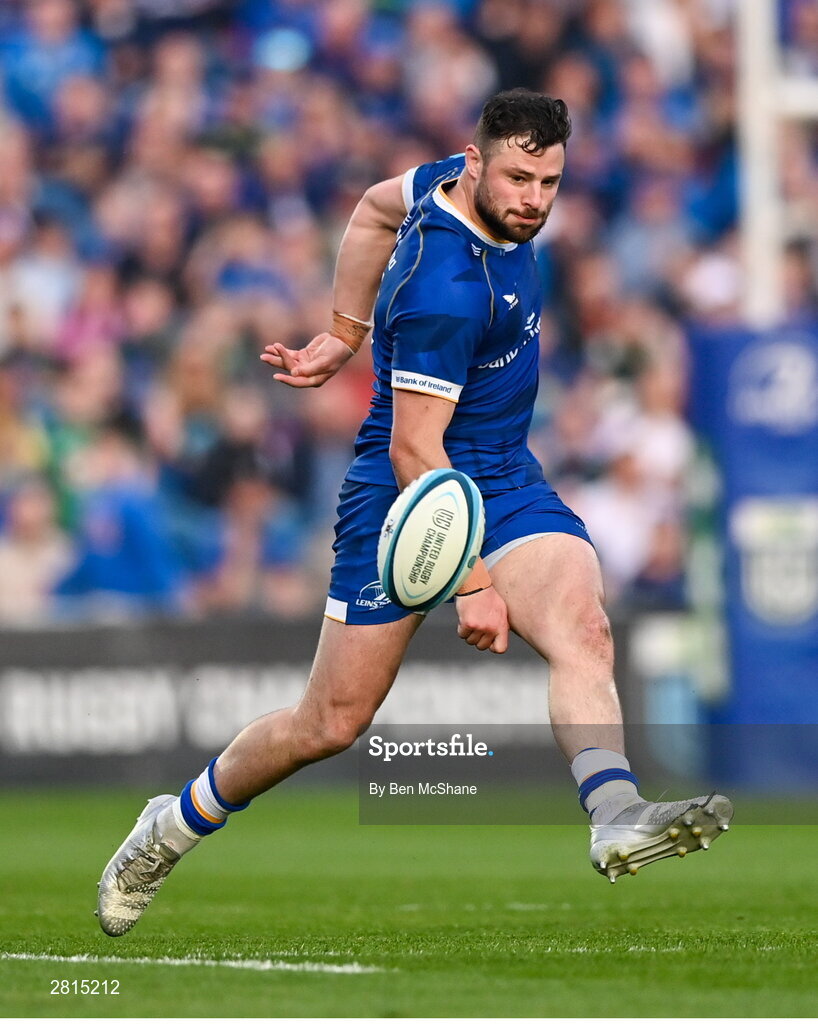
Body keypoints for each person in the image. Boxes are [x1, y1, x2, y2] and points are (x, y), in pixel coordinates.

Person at [96, 90, 732, 937]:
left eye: (548, 181)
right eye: (517, 178)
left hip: (502, 474)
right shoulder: (446, 289)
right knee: (329, 723)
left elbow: (366, 211)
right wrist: (472, 581)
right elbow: (412, 452)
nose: (534, 199)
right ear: (478, 166)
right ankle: (168, 827)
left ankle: (614, 810)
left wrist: (343, 331)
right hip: (406, 493)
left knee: (585, 625)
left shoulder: (448, 184)